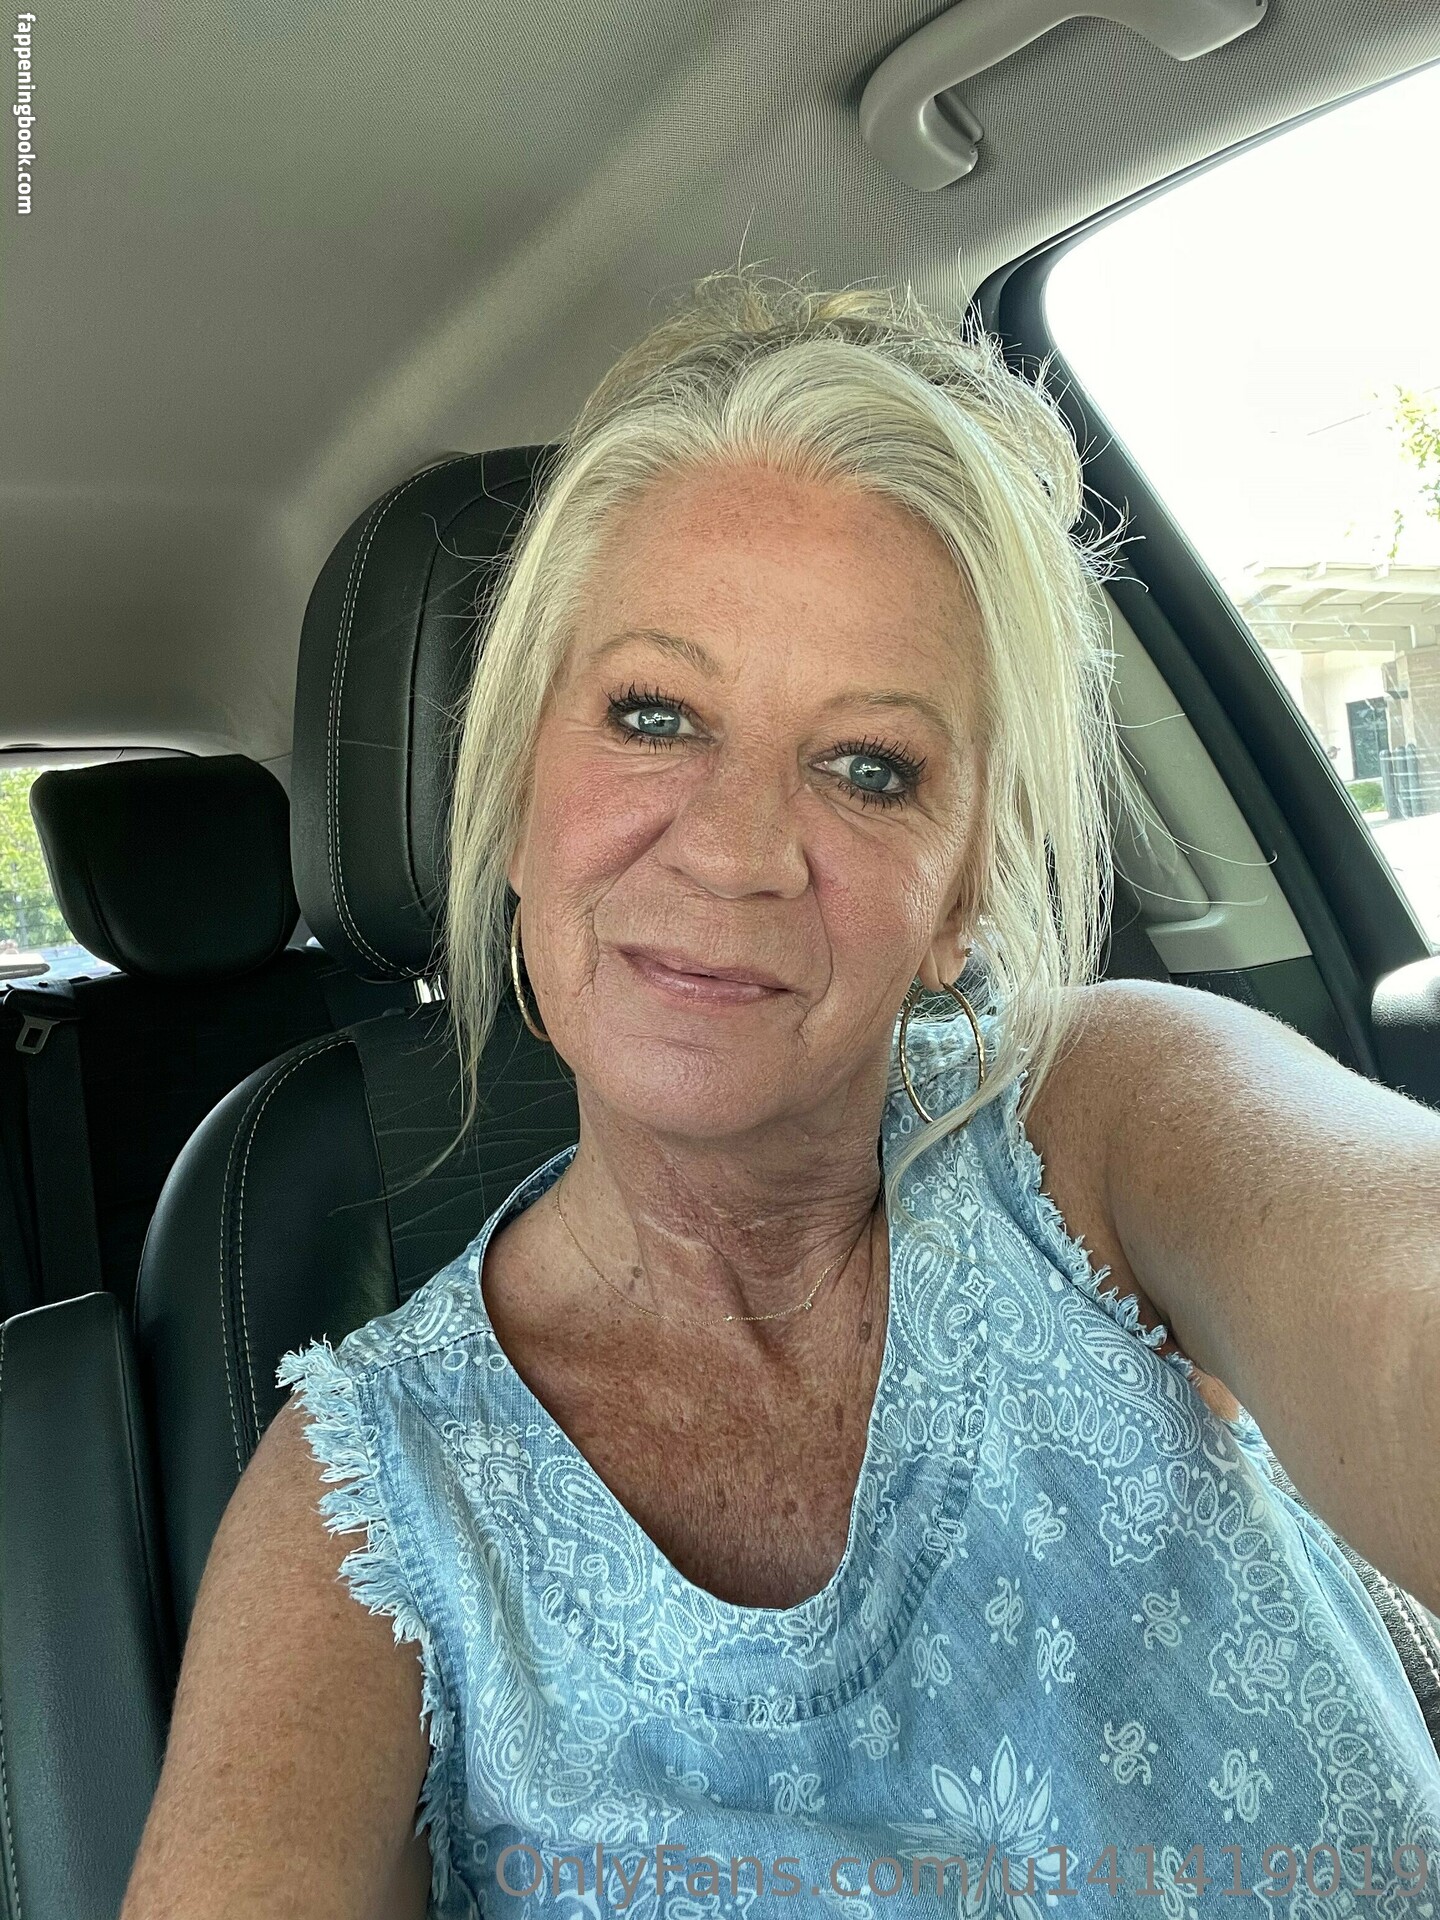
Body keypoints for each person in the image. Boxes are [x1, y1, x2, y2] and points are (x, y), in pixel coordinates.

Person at [122, 270, 1440, 1920]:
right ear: (518, 794)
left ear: (963, 893)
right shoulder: (364, 1503)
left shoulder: (1106, 1116)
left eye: (869, 766)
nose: (737, 851)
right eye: (654, 715)